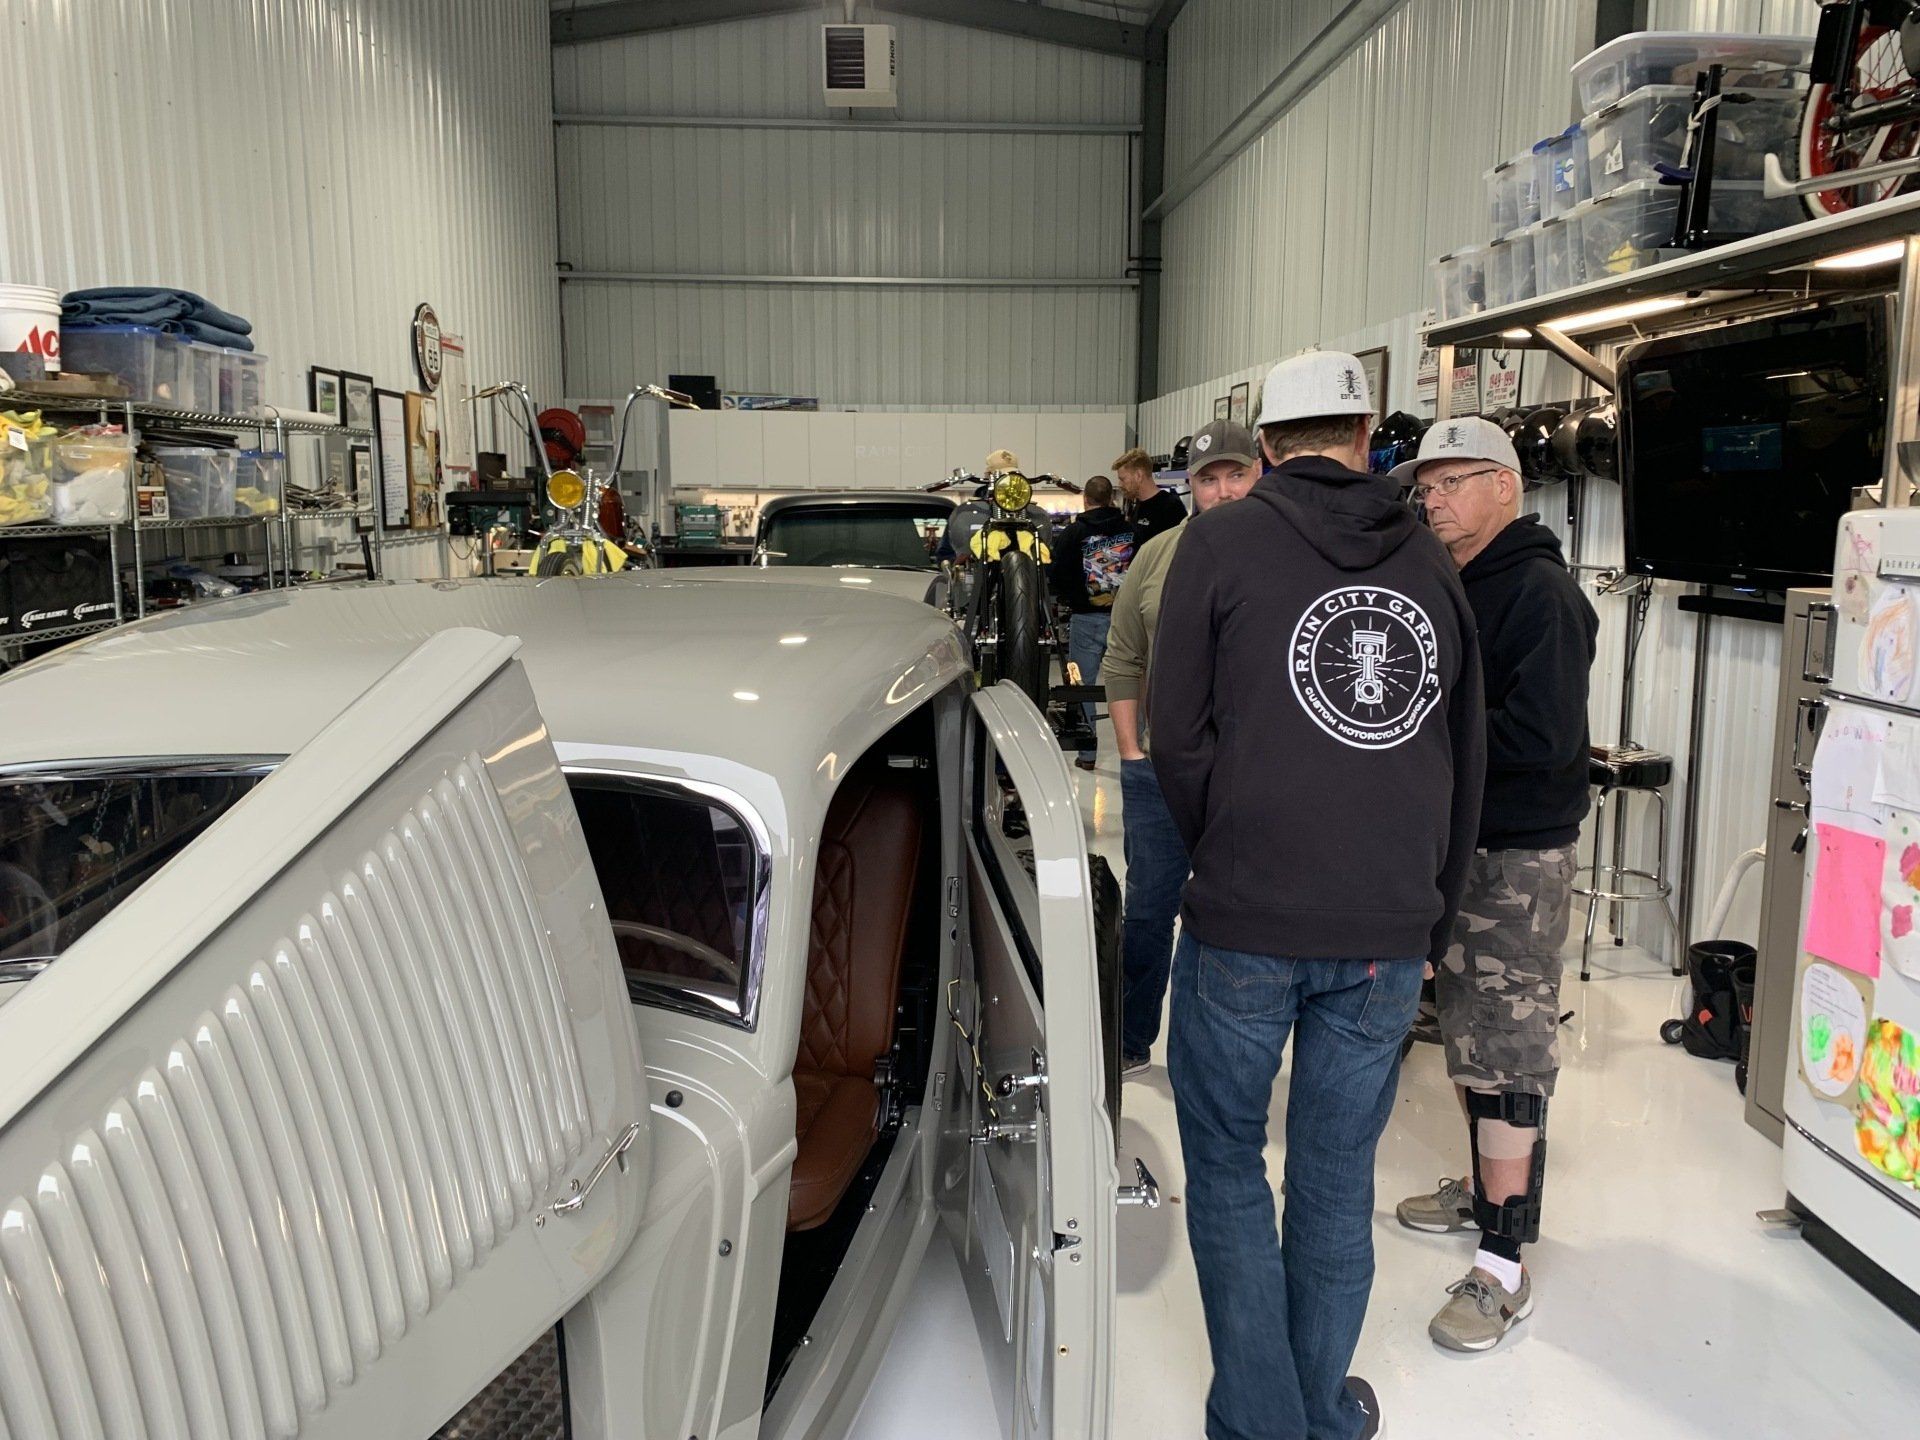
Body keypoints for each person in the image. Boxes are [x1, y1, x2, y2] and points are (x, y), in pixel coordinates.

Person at [1150, 351, 1486, 1440]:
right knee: (1337, 1178)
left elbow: (1176, 735)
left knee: (1229, 1161)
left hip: (1249, 913)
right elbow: (1464, 753)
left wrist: (1229, 846)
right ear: (1368, 426)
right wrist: (1429, 906)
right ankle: (1317, 1412)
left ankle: (1261, 1420)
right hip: (1389, 926)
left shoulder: (1220, 540)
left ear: (1265, 437)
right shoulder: (1433, 565)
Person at [1387, 416, 1598, 1353]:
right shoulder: (1459, 582)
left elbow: (1547, 741)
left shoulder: (1540, 593)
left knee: (1508, 1055)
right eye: (1425, 485)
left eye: (1453, 481)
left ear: (1506, 487)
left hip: (1516, 858)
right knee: (1469, 1034)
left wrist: (1426, 742)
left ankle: (1504, 1265)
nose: (1432, 499)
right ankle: (1480, 1191)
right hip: (1465, 846)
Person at [1102, 419, 1261, 1074]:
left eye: (1236, 475)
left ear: (1260, 473)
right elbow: (1122, 658)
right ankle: (1132, 1042)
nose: (1222, 492)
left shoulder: (1284, 555)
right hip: (1160, 775)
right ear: (1189, 486)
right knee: (1146, 915)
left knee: (1243, 920)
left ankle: (1226, 1052)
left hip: (1251, 778)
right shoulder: (1156, 555)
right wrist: (1133, 754)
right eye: (1208, 479)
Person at [1049, 475, 1134, 770]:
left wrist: (1070, 598)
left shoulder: (1073, 534)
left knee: (1081, 684)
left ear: (1086, 499)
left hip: (1085, 618)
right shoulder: (1130, 530)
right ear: (1111, 498)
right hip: (1124, 620)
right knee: (1129, 682)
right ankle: (1136, 753)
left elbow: (1056, 573)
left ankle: (1087, 755)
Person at [1115, 446, 1185, 549]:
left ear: (1138, 475)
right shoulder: (1137, 505)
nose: (1120, 484)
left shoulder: (1170, 506)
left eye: (1123, 479)